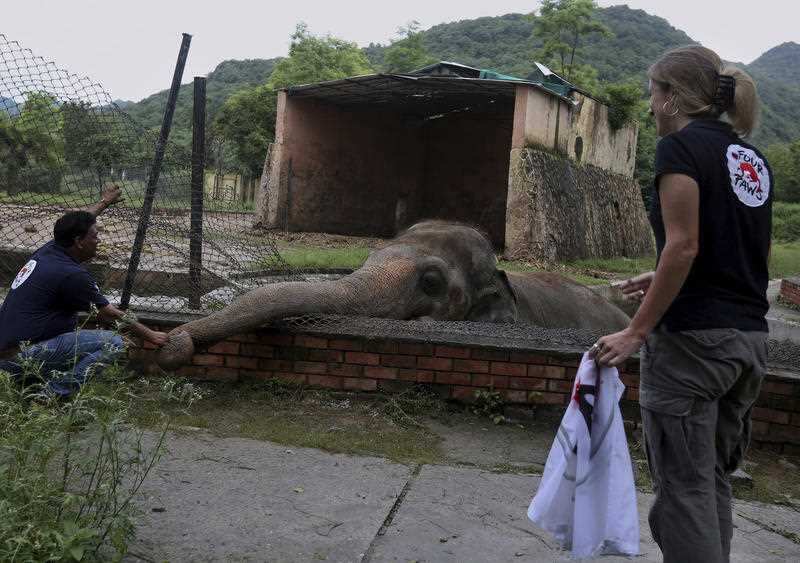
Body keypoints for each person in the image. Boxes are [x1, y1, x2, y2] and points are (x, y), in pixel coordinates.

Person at [589, 46, 771, 563]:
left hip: (693, 346)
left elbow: (684, 244)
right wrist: (665, 274)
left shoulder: (681, 149)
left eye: (653, 93)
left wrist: (636, 332)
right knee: (709, 480)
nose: (649, 106)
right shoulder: (748, 157)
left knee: (684, 491)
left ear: (671, 97)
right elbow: (729, 246)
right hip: (748, 344)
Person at [0, 186, 168, 397]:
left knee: (73, 337)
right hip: (21, 358)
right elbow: (109, 313)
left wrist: (104, 202)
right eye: (95, 236)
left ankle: (32, 384)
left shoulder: (50, 250)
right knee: (114, 343)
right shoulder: (72, 274)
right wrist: (152, 335)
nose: (98, 240)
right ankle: (53, 393)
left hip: (10, 353)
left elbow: (81, 222)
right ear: (79, 242)